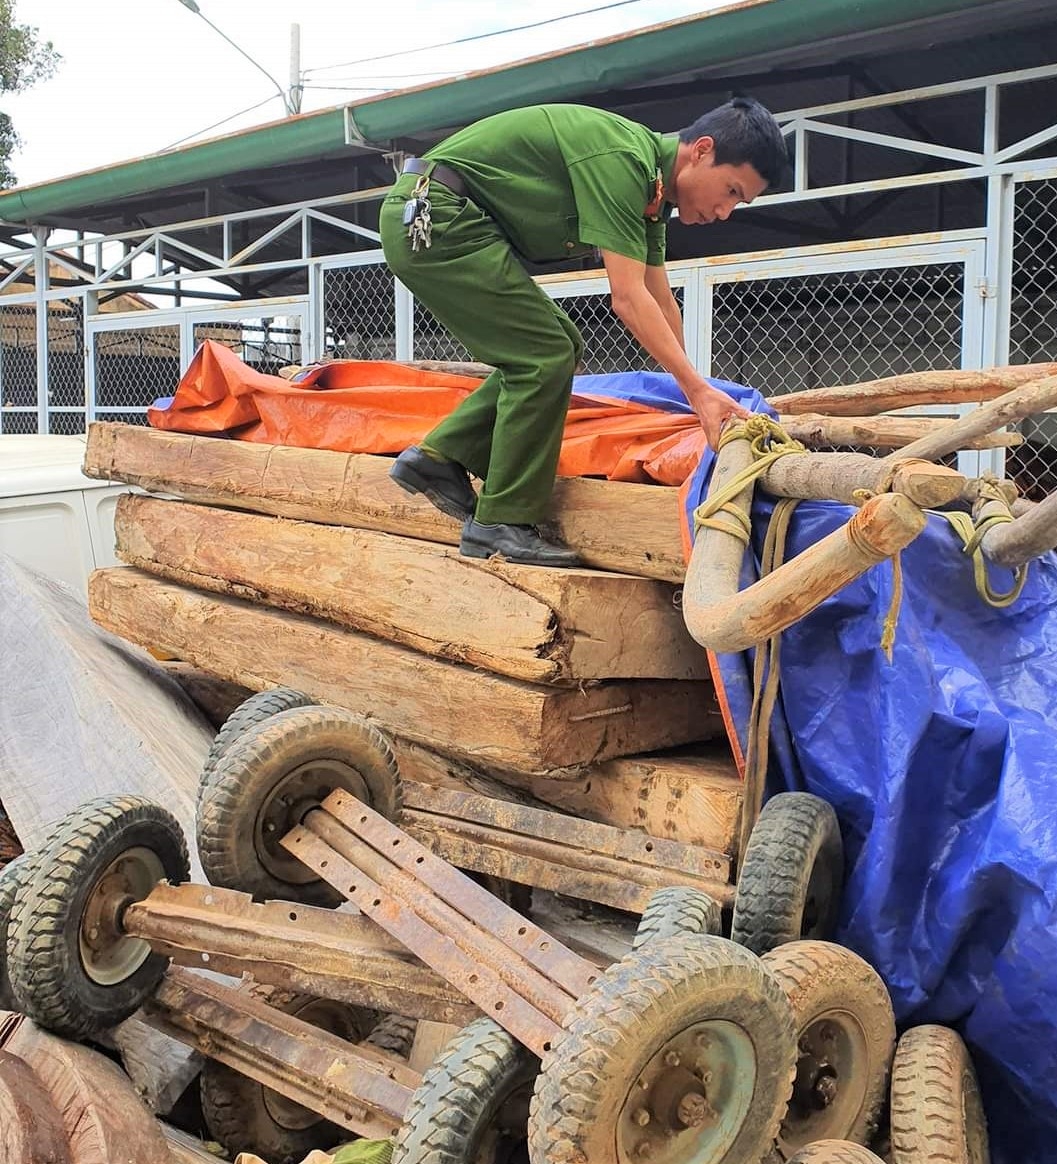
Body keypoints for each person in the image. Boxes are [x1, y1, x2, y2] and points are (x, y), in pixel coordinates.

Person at [381, 97, 788, 567]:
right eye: (732, 191)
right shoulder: (623, 161)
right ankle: (499, 522)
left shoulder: (652, 196)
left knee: (562, 349)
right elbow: (628, 297)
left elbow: (659, 299)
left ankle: (439, 457)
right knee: (544, 356)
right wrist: (696, 393)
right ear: (700, 151)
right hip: (437, 217)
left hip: (454, 218)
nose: (726, 211)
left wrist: (700, 390)